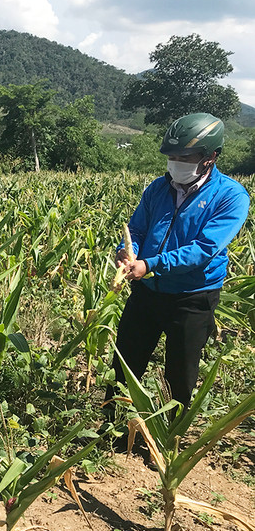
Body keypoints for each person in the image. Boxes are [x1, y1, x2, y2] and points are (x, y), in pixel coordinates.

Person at [108, 112, 250, 420]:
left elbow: (204, 249)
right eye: (172, 156)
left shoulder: (230, 196)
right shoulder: (159, 188)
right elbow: (139, 228)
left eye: (184, 156)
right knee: (125, 361)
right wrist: (125, 251)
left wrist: (151, 264)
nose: (176, 163)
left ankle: (169, 438)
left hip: (192, 296)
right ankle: (114, 428)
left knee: (179, 373)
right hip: (147, 291)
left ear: (210, 156)